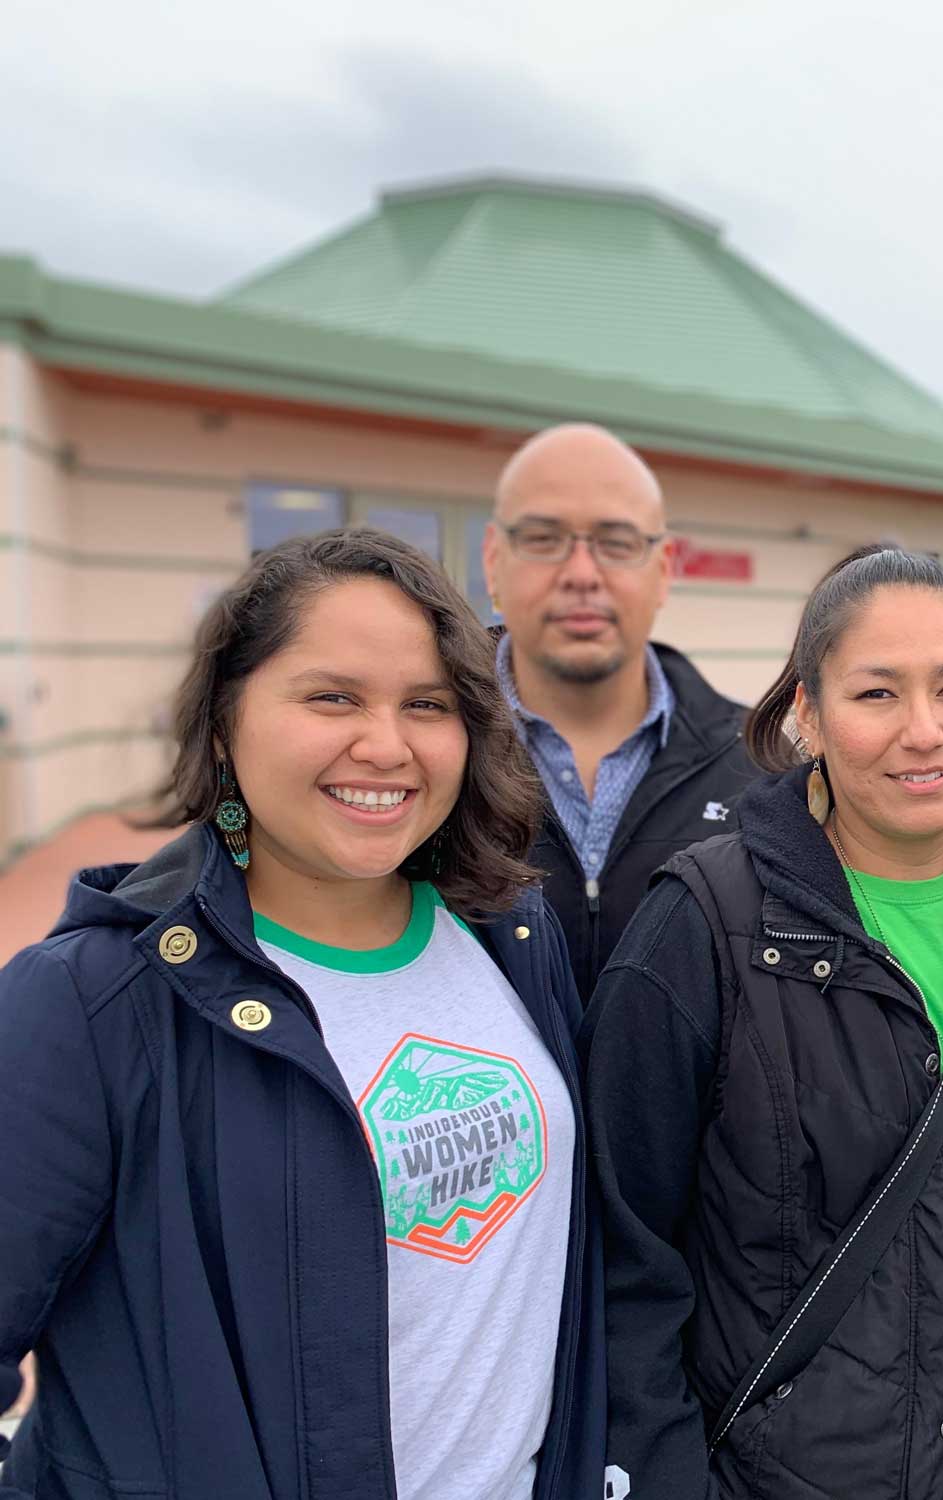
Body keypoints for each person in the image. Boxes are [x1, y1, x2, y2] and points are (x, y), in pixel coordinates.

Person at [0, 530, 605, 1500]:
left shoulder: (508, 934)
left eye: (428, 706)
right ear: (226, 718)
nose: (386, 744)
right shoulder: (94, 1000)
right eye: (332, 697)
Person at [584, 545, 943, 1500]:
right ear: (807, 712)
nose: (925, 732)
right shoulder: (702, 926)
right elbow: (619, 1266)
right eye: (877, 695)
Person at [484, 422, 758, 998]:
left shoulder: (762, 768)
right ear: (493, 563)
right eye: (542, 538)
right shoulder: (422, 756)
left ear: (662, 571)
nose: (582, 574)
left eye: (617, 542)